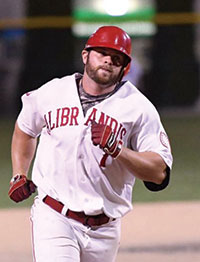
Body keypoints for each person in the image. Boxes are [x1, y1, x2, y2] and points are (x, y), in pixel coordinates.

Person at [8, 26, 173, 262]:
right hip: (55, 216)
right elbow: (25, 129)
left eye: (116, 58)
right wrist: (19, 173)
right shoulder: (52, 93)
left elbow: (159, 174)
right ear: (85, 55)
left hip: (105, 228)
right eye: (102, 53)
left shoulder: (138, 107)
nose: (108, 60)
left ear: (125, 67)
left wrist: (118, 150)